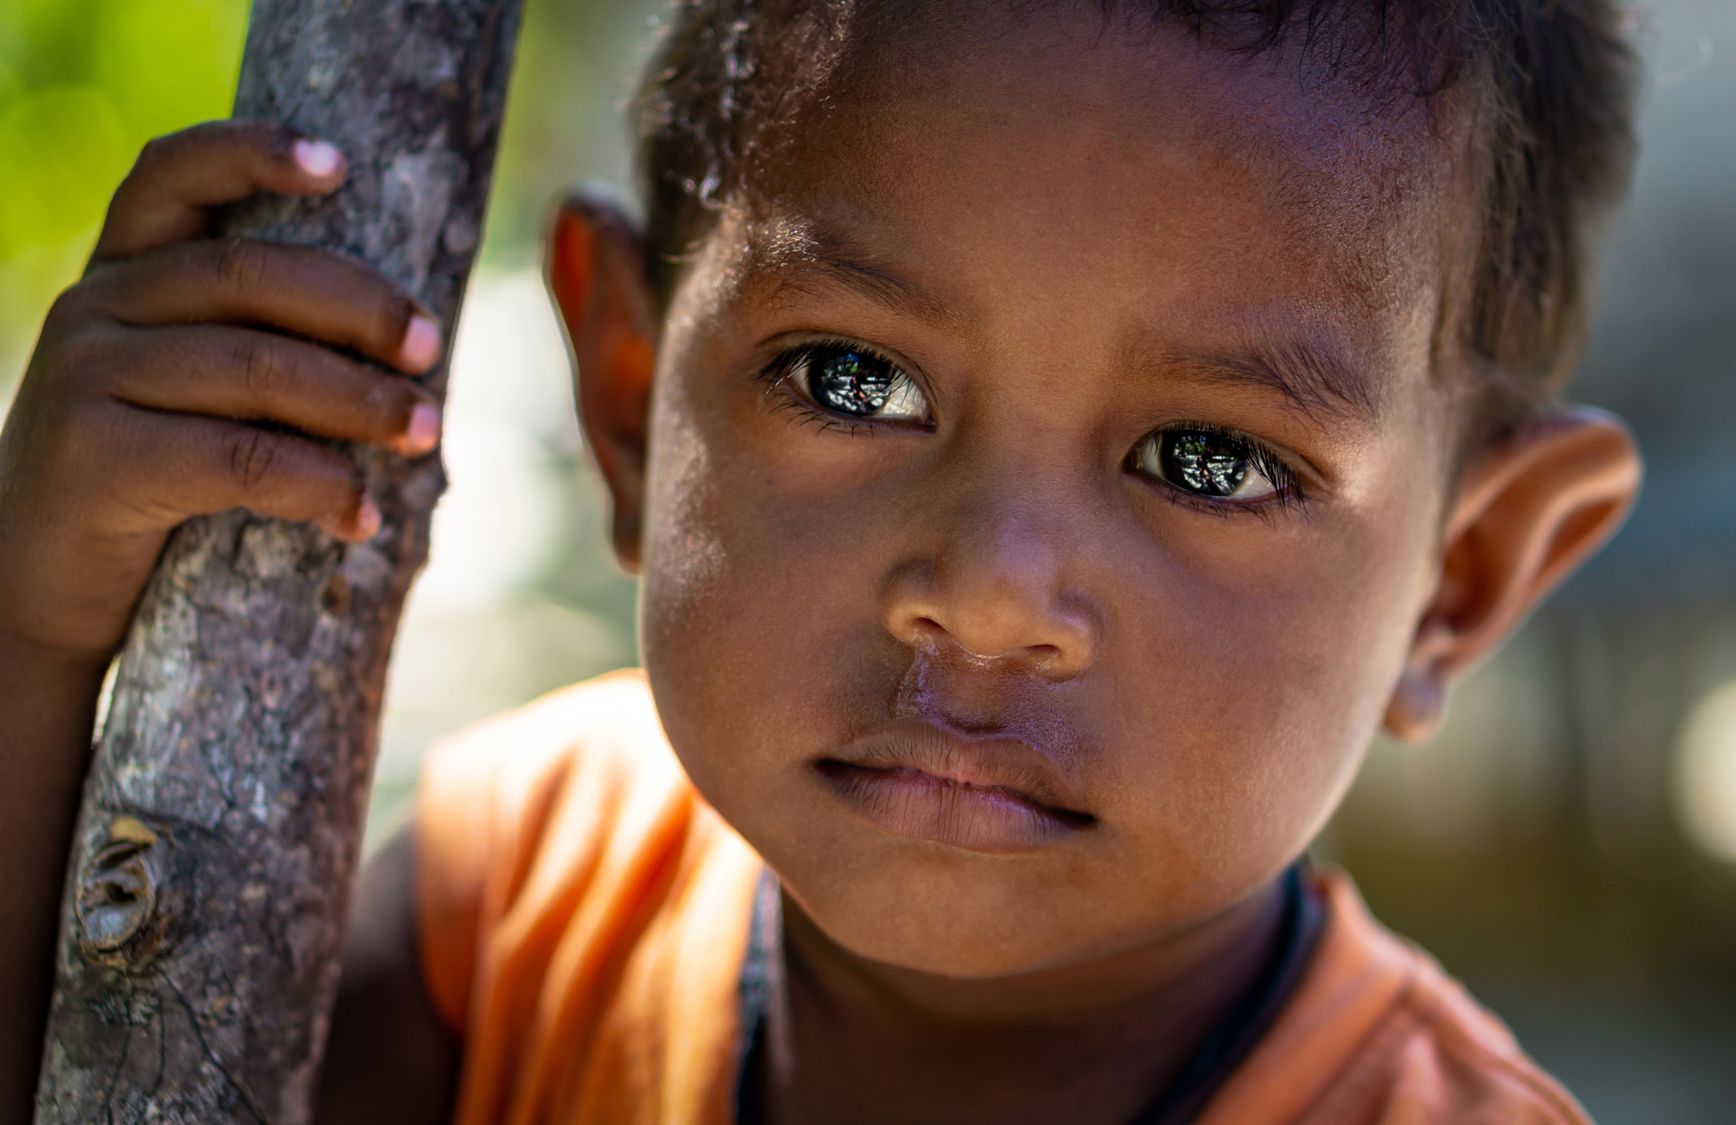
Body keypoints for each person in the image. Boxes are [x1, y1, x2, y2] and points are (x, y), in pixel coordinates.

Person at [0, 1, 1645, 1121]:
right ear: (635, 404)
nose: (989, 588)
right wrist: (29, 638)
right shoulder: (529, 901)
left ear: (1466, 572)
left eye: (1210, 461)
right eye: (855, 380)